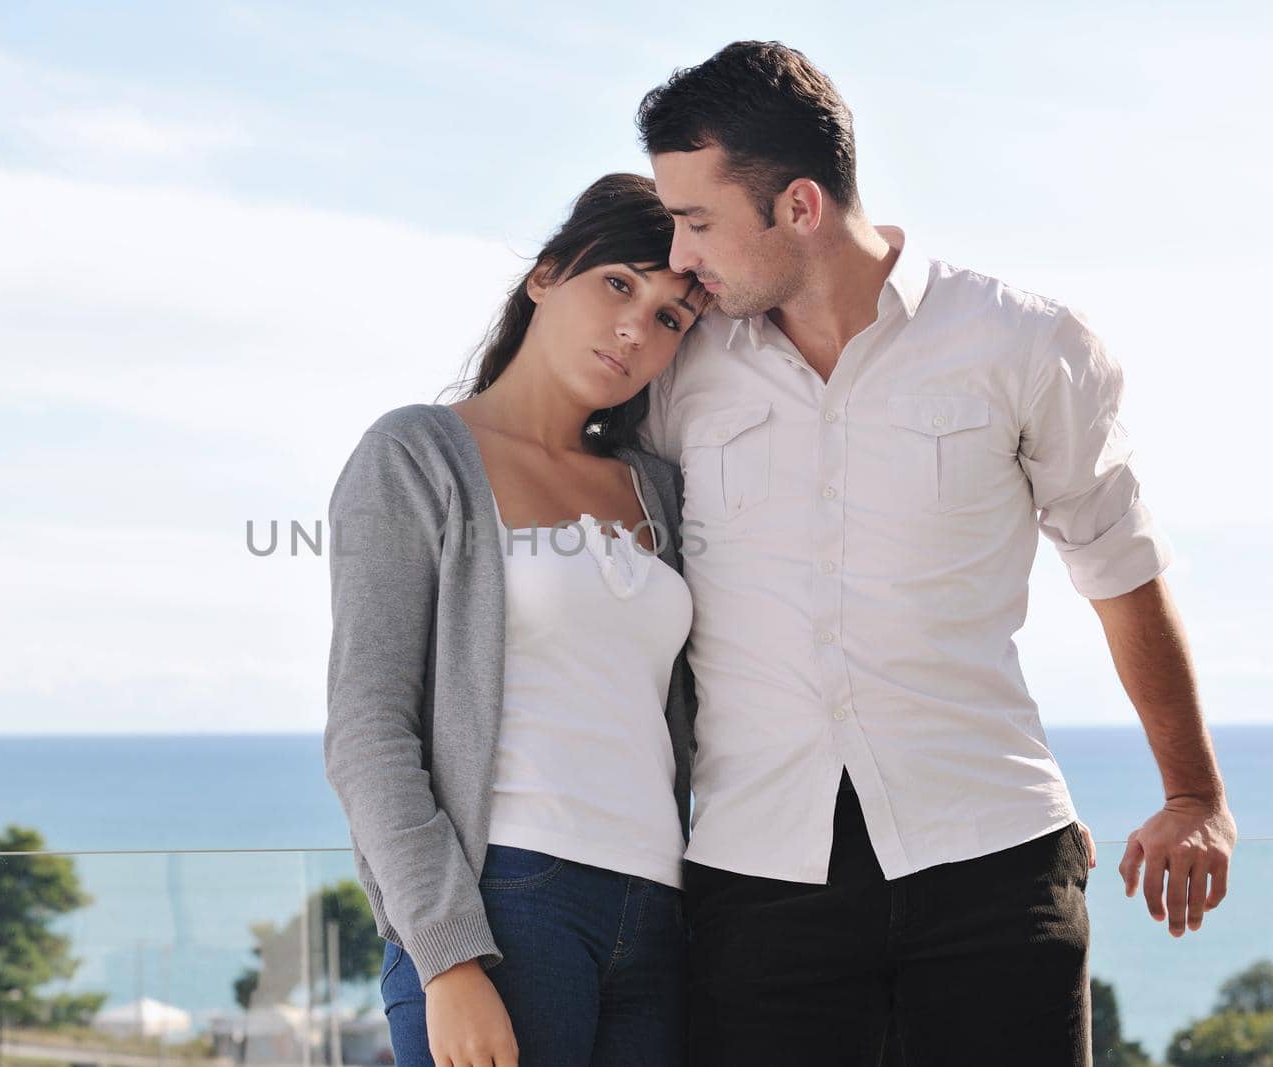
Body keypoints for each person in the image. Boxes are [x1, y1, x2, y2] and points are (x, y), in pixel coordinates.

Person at [634, 41, 1238, 1066]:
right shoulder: (678, 369)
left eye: (697, 222)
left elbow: (1122, 571)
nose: (681, 256)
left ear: (798, 206)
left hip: (992, 865)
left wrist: (1194, 795)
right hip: (755, 884)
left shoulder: (1026, 344)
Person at [325, 173, 709, 1067]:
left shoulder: (659, 486)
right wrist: (447, 953)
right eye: (619, 283)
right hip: (507, 905)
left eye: (668, 317)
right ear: (544, 277)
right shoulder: (416, 454)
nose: (634, 328)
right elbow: (368, 727)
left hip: (660, 918)